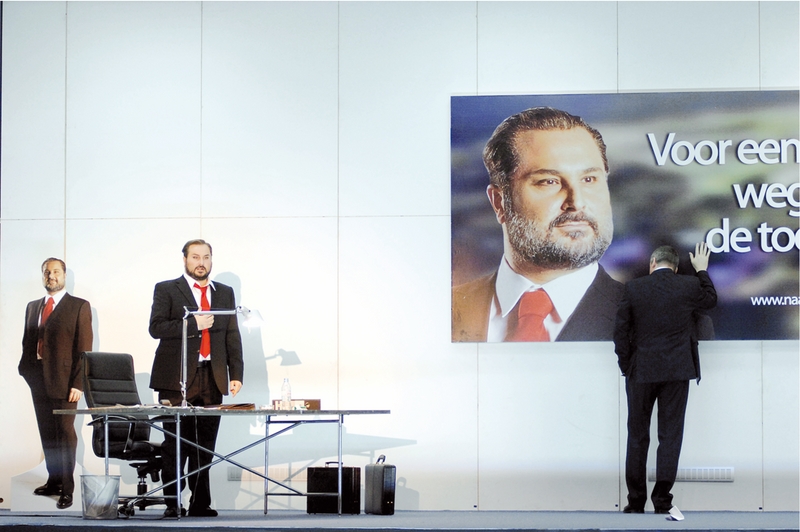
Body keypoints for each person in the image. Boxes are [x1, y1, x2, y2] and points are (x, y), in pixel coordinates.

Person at [452, 107, 623, 342]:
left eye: (589, 179)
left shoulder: (652, 320)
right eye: (548, 181)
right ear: (500, 202)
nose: (577, 202)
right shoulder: (443, 311)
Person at [613, 243, 717, 514]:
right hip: (677, 371)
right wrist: (702, 270)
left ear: (652, 263)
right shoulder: (689, 285)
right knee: (670, 436)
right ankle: (662, 501)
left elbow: (620, 332)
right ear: (676, 267)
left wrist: (627, 365)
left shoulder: (634, 288)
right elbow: (711, 300)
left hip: (641, 371)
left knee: (637, 437)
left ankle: (635, 502)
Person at [149, 239, 244, 518]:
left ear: (211, 260)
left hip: (212, 377)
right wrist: (192, 324)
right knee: (175, 445)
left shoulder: (224, 293)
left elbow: (232, 334)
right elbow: (156, 328)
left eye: (206, 257)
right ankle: (172, 502)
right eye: (195, 257)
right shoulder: (167, 289)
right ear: (185, 260)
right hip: (175, 378)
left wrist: (236, 374)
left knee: (204, 447)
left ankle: (200, 503)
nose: (201, 263)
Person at [18, 258, 92, 509]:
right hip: (38, 378)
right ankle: (53, 481)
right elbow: (28, 341)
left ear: (64, 275)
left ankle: (67, 489)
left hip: (65, 381)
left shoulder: (79, 306)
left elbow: (84, 349)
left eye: (56, 271)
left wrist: (78, 383)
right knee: (47, 432)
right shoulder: (33, 306)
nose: (51, 276)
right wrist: (25, 370)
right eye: (47, 272)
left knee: (65, 434)